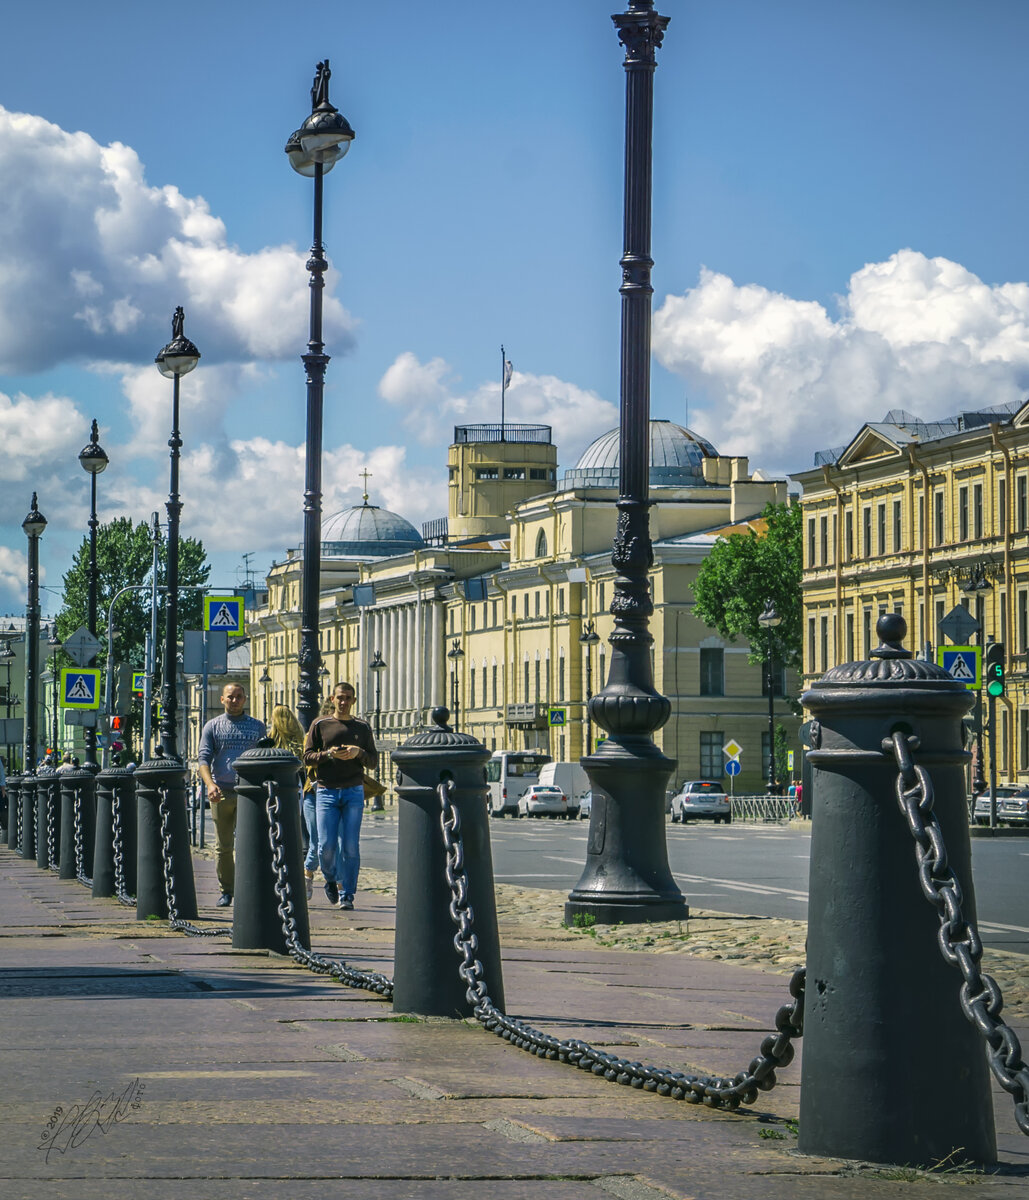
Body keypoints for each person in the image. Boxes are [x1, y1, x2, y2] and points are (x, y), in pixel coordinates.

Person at [303, 681, 376, 911]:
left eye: (348, 698)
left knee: (351, 846)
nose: (343, 702)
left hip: (354, 791)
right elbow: (306, 756)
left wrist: (358, 752)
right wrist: (328, 755)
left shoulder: (362, 727)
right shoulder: (320, 724)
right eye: (339, 698)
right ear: (332, 699)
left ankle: (348, 894)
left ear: (354, 701)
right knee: (326, 846)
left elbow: (373, 762)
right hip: (326, 791)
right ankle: (331, 879)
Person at [197, 684, 266, 907]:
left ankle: (250, 887)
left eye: (238, 697)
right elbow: (203, 759)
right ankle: (227, 890)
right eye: (230, 697)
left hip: (251, 792)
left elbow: (264, 757)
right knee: (223, 846)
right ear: (222, 699)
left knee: (251, 843)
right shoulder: (213, 726)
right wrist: (210, 785)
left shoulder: (257, 727)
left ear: (245, 699)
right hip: (222, 792)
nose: (234, 701)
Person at [264, 704, 315, 899]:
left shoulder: (270, 742)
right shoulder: (302, 741)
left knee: (278, 831)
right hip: (300, 791)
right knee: (302, 833)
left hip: (276, 792)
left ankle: (280, 870)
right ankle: (300, 875)